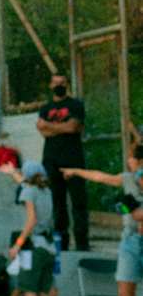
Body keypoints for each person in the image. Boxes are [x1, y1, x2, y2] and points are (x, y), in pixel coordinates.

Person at [61, 137, 143, 296]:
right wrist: (76, 171)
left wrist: (134, 211)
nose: (128, 162)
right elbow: (101, 177)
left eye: (131, 158)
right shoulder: (128, 179)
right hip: (131, 240)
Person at [0, 160, 56, 296]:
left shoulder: (28, 192)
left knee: (30, 292)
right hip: (49, 247)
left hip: (34, 248)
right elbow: (23, 182)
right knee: (44, 293)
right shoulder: (46, 192)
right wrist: (11, 173)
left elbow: (31, 221)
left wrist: (17, 244)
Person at [38, 73, 89, 251]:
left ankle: (82, 243)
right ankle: (62, 244)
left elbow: (73, 126)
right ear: (50, 86)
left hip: (73, 159)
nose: (59, 85)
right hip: (51, 160)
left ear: (66, 85)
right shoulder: (45, 108)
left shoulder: (76, 105)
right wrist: (64, 128)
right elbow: (42, 131)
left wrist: (50, 126)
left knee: (79, 203)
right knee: (58, 204)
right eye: (56, 83)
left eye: (62, 83)